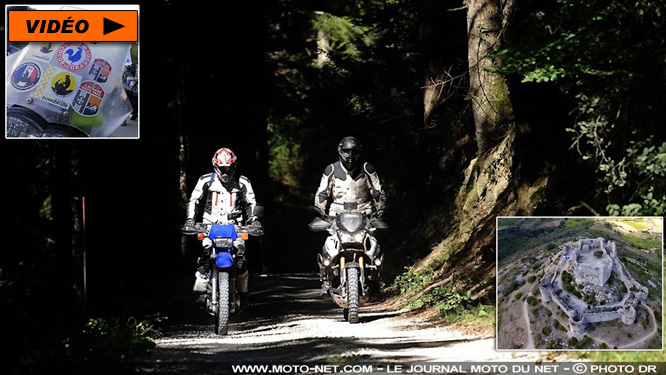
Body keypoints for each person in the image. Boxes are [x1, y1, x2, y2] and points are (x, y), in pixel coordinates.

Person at [183, 148, 262, 310]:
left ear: (233, 166)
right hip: (210, 225)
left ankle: (244, 294)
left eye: (228, 167)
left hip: (236, 226)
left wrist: (254, 220)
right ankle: (201, 289)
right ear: (215, 166)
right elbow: (194, 200)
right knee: (206, 250)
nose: (225, 171)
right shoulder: (206, 180)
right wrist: (190, 220)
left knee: (240, 255)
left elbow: (251, 203)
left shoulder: (243, 181)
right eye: (222, 168)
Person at [314, 136, 386, 294]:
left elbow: (378, 191)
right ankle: (327, 278)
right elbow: (322, 193)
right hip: (337, 215)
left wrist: (380, 209)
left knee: (373, 244)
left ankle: (374, 277)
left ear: (359, 152)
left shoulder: (367, 168)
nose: (350, 155)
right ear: (340, 151)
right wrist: (320, 211)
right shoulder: (331, 170)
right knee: (329, 244)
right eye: (346, 151)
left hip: (364, 214)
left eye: (353, 151)